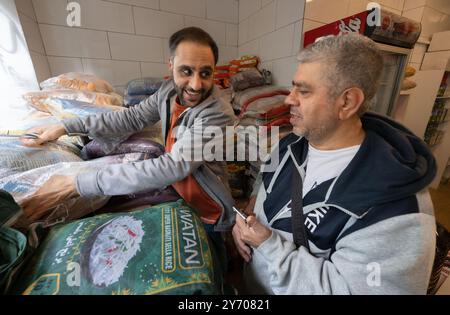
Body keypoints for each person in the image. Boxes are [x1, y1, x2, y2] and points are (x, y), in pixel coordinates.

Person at [232, 33, 437, 294]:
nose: (288, 99)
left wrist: (268, 246)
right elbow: (263, 190)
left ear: (347, 102)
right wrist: (248, 218)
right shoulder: (289, 146)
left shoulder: (396, 208)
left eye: (303, 91)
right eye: (294, 87)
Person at [21, 27, 236, 239]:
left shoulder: (218, 113)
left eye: (205, 73)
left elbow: (174, 166)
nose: (196, 84)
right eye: (186, 71)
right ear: (171, 65)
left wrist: (77, 184)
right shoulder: (167, 92)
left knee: (212, 264)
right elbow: (130, 118)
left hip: (209, 211)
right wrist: (65, 127)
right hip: (179, 197)